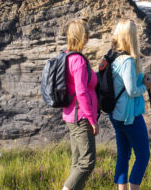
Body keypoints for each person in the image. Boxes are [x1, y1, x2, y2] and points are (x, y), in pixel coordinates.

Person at [109, 19, 151, 190]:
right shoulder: (127, 61)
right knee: (143, 156)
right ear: (130, 37)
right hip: (129, 117)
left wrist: (139, 78)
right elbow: (132, 91)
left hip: (116, 114)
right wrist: (145, 87)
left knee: (123, 155)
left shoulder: (113, 56)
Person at [62, 19, 99, 190]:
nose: (89, 36)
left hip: (70, 116)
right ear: (82, 36)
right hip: (81, 117)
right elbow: (81, 92)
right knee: (87, 162)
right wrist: (92, 120)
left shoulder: (67, 55)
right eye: (87, 33)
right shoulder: (78, 61)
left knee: (77, 163)